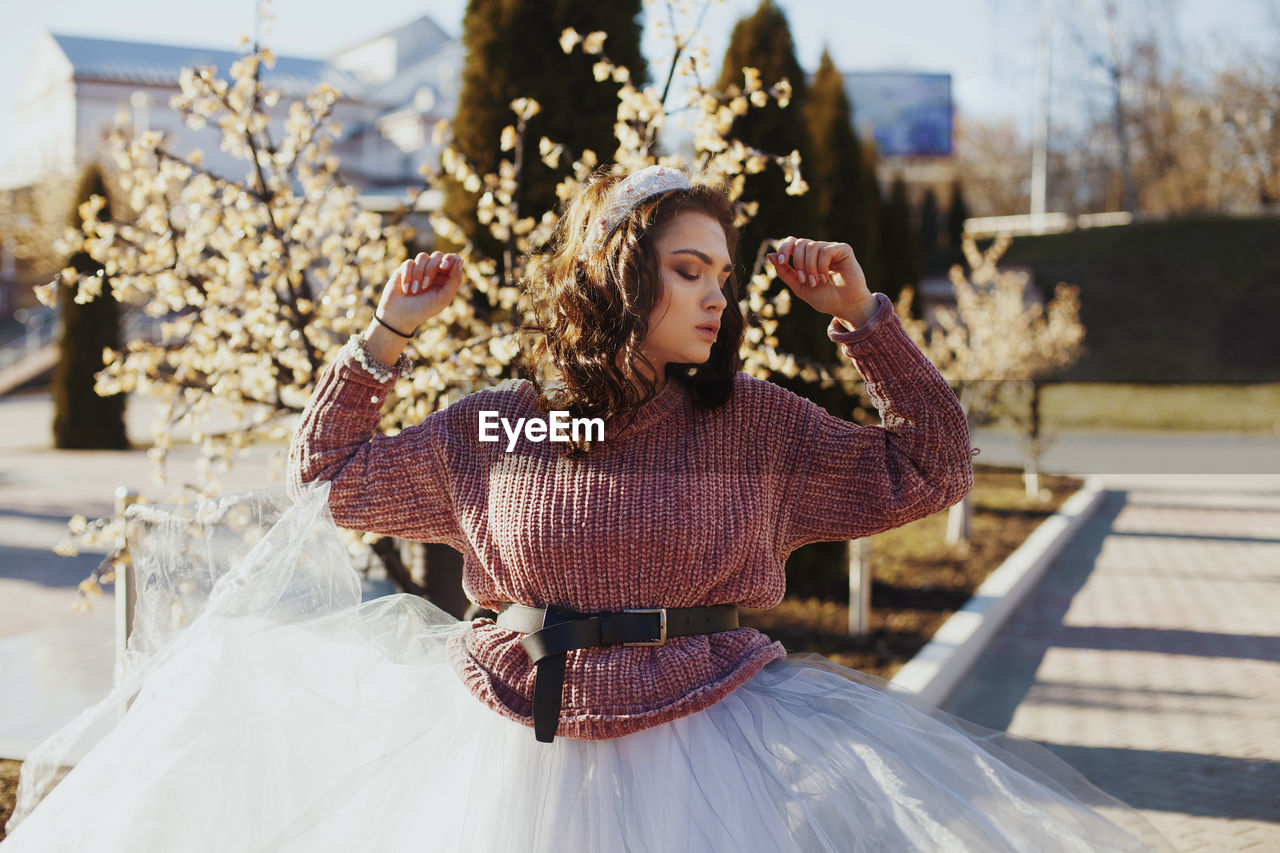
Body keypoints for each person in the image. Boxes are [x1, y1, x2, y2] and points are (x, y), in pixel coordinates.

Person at [2, 165, 1174, 852]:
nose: (717, 294)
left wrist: (865, 319)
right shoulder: (519, 422)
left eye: (723, 274)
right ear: (622, 274)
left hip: (718, 741)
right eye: (688, 269)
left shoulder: (752, 423)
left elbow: (932, 469)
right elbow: (327, 478)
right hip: (511, 748)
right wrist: (384, 337)